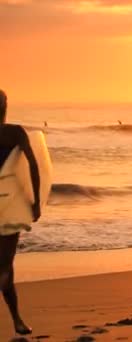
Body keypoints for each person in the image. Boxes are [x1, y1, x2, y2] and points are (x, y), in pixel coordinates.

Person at [0, 89, 41, 336]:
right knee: (4, 266)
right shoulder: (14, 132)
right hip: (9, 208)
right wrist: (35, 202)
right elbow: (33, 164)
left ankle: (17, 321)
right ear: (6, 106)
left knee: (6, 267)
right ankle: (16, 321)